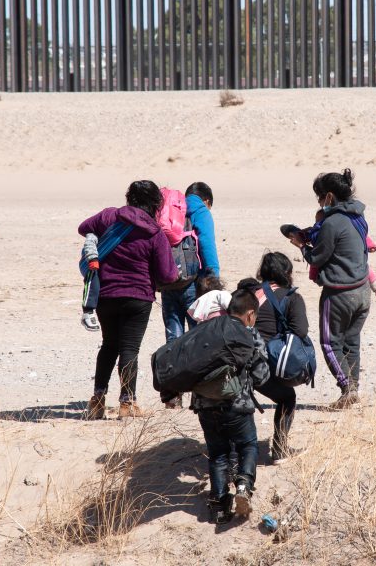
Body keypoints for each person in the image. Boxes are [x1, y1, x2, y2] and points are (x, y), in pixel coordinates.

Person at [77, 180, 179, 420]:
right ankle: (127, 403)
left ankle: (97, 400)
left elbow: (83, 227)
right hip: (138, 298)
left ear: (128, 197)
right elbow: (168, 274)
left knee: (109, 346)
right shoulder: (155, 233)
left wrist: (98, 238)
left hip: (106, 294)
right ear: (156, 203)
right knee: (129, 349)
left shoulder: (108, 217)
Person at [287, 169, 370, 410]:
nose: (320, 203)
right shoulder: (358, 216)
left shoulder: (332, 222)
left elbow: (317, 257)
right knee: (351, 341)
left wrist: (301, 244)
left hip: (339, 292)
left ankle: (347, 388)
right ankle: (354, 387)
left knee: (329, 342)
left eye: (320, 198)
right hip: (363, 290)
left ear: (329, 197)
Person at [189, 289, 269, 524]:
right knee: (248, 445)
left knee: (217, 454)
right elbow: (262, 374)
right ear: (251, 314)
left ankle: (219, 506)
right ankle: (243, 485)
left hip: (204, 405)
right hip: (237, 405)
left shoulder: (204, 330)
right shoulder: (249, 333)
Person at [241, 252, 308, 463]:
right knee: (287, 397)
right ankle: (280, 449)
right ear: (287, 273)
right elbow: (301, 330)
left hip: (234, 358)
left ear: (262, 273)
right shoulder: (291, 297)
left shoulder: (245, 294)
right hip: (261, 363)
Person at [161, 181, 220, 408]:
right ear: (206, 200)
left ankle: (172, 396)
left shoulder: (169, 211)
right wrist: (213, 278)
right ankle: (199, 393)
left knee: (173, 339)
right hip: (191, 284)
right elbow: (206, 243)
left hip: (168, 283)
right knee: (199, 340)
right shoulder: (200, 211)